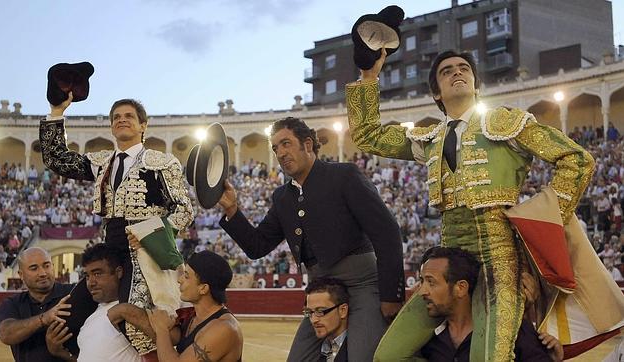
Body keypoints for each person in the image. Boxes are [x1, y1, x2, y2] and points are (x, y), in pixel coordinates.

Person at [346, 49, 594, 361]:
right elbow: (368, 137)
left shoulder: (505, 124)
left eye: (464, 68)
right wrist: (369, 76)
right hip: (447, 265)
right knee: (387, 356)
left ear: (475, 84)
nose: (457, 72)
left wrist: (542, 223)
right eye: (446, 71)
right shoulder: (430, 139)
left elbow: (577, 159)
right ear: (437, 91)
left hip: (501, 262)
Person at [218, 117, 405, 361]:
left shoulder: (344, 175)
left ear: (307, 144)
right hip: (320, 292)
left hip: (362, 284)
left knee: (363, 357)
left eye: (286, 144)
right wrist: (232, 211)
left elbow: (387, 232)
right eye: (275, 148)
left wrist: (392, 295)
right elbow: (257, 245)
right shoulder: (283, 197)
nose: (281, 153)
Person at [39, 93, 195, 353]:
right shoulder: (102, 162)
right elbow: (57, 159)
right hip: (109, 250)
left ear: (143, 125)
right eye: (116, 117)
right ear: (111, 126)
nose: (122, 120)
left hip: (145, 253)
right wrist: (57, 111)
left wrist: (151, 236)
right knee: (67, 320)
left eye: (129, 116)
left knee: (138, 327)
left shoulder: (162, 163)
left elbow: (184, 210)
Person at [417, 246, 563, 361]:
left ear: (461, 288)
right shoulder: (428, 341)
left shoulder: (512, 331)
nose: (422, 291)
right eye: (422, 281)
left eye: (431, 282)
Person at [45, 243, 142, 362]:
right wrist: (60, 352)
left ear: (118, 272)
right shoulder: (91, 316)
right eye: (87, 276)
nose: (91, 282)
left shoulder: (131, 310)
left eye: (97, 274)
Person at [147, 250, 243, 362]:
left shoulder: (224, 329)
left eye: (186, 276)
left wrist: (161, 329)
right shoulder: (194, 317)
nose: (179, 280)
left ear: (203, 288)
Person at [0, 247, 73, 361]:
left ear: (53, 266)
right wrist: (44, 319)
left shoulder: (73, 294)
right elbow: (6, 334)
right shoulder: (12, 304)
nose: (42, 273)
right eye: (34, 268)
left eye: (46, 265)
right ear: (21, 274)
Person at [303, 277, 349, 362]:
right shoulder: (319, 349)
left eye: (320, 311)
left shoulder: (360, 349)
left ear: (343, 310)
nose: (313, 320)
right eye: (309, 312)